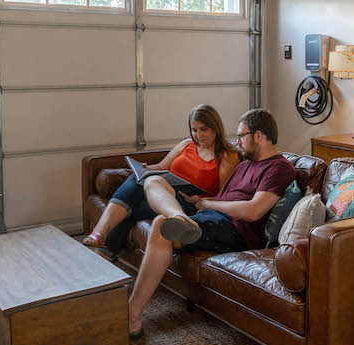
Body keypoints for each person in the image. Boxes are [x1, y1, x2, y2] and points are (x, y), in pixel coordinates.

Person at [126, 108, 296, 338]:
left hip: (235, 229)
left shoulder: (279, 168)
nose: (238, 142)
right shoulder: (246, 163)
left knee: (159, 225)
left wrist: (208, 205)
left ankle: (132, 315)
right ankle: (179, 218)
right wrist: (202, 200)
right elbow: (226, 198)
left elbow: (254, 210)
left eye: (241, 136)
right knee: (153, 182)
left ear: (259, 135)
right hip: (213, 216)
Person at [82, 104, 241, 254]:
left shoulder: (227, 156)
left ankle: (102, 240)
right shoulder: (186, 144)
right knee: (139, 181)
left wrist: (196, 200)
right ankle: (103, 242)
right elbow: (160, 167)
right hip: (162, 193)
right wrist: (144, 168)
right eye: (194, 130)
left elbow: (225, 196)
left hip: (189, 204)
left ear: (215, 128)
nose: (198, 135)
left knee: (134, 200)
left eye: (203, 129)